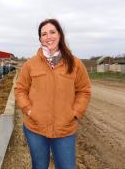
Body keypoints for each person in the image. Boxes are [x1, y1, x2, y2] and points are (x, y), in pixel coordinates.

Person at [14, 18, 91, 169]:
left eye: (52, 32)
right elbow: (20, 89)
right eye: (44, 34)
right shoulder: (30, 64)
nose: (48, 37)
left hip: (65, 128)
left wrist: (74, 113)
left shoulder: (75, 64)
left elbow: (84, 91)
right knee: (39, 166)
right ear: (40, 39)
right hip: (35, 128)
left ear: (60, 35)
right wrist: (29, 110)